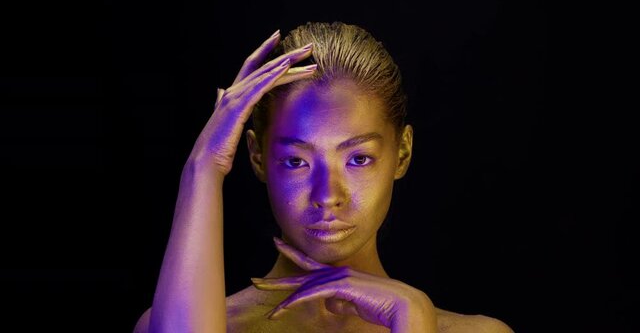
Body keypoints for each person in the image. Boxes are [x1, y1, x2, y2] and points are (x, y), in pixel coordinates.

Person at [133, 21, 514, 332]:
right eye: (296, 162)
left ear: (402, 152)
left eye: (359, 159)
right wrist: (203, 167)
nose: (328, 195)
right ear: (257, 156)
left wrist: (412, 319)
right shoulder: (182, 324)